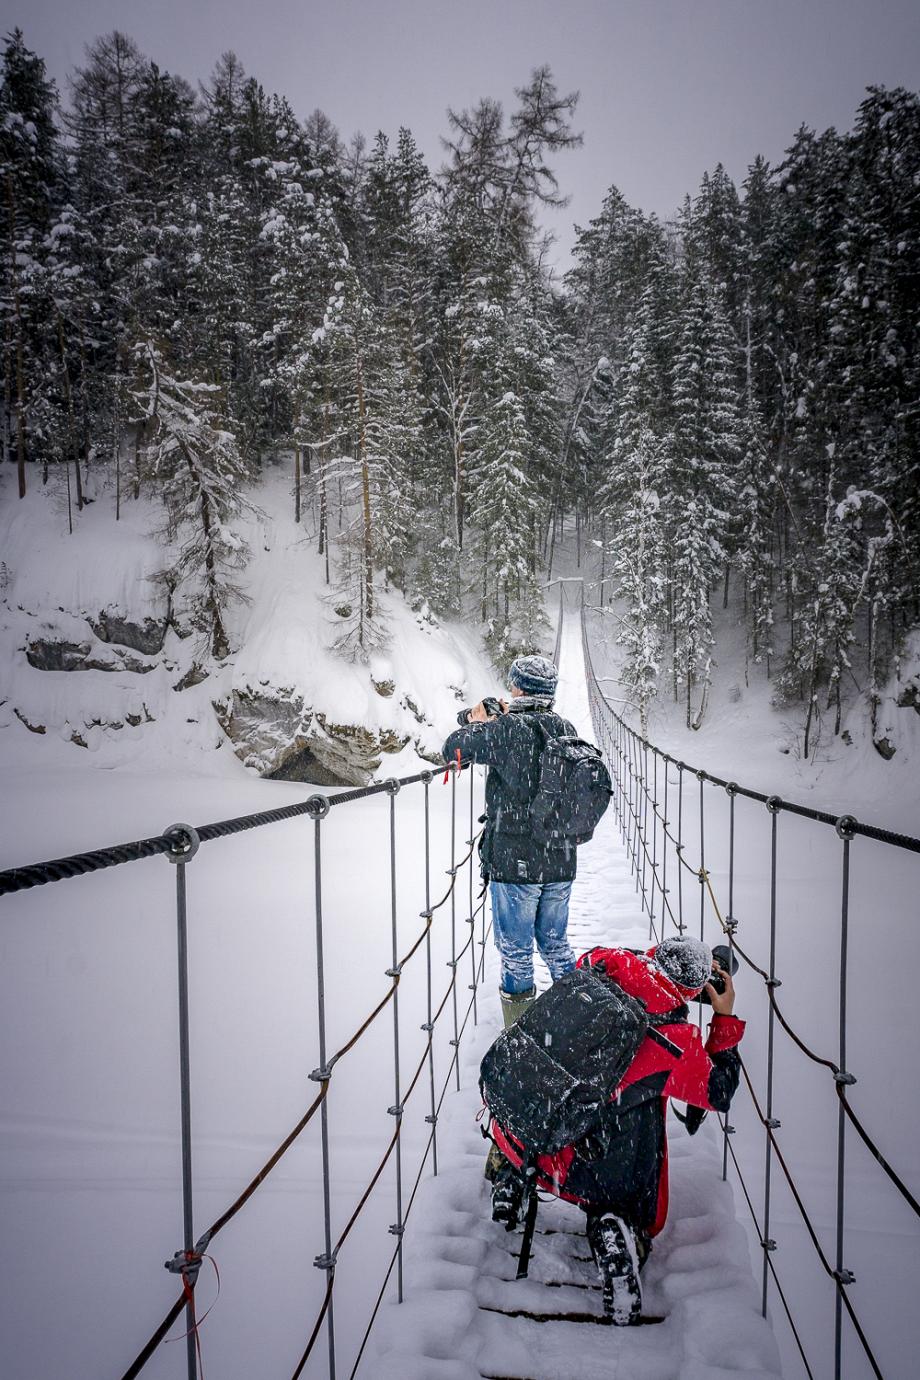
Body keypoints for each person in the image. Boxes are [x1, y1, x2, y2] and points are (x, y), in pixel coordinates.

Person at [487, 935, 744, 1324]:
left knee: (550, 1084)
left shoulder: (600, 963)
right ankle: (618, 1229)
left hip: (529, 1120)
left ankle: (511, 1174)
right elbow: (718, 1091)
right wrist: (723, 1018)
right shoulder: (675, 1043)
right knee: (633, 1156)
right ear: (693, 991)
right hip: (586, 1163)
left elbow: (642, 977)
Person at [442, 654, 578, 1029]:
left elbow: (452, 749)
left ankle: (520, 1035)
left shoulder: (506, 731)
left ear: (518, 688)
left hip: (516, 861)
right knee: (555, 943)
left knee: (517, 952)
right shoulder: (565, 727)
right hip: (562, 858)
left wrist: (476, 719)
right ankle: (582, 1018)